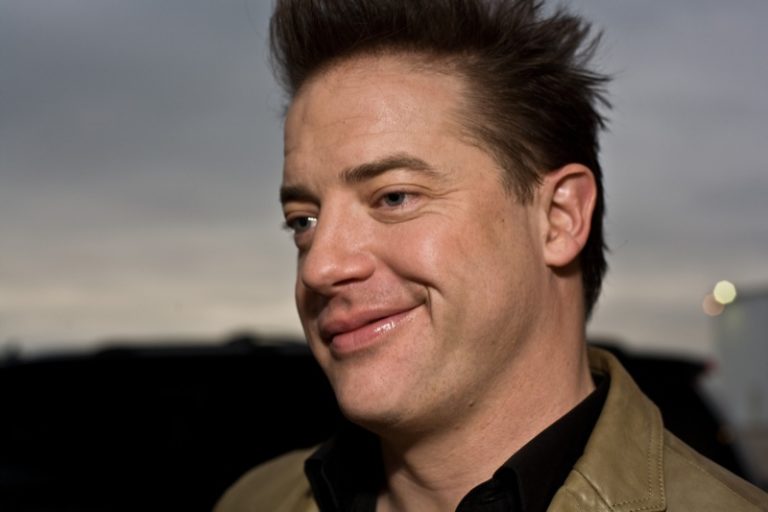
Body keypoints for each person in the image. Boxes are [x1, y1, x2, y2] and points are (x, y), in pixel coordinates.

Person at [216, 0, 768, 510]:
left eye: (394, 197)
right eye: (303, 222)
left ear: (559, 218)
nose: (320, 266)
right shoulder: (256, 500)